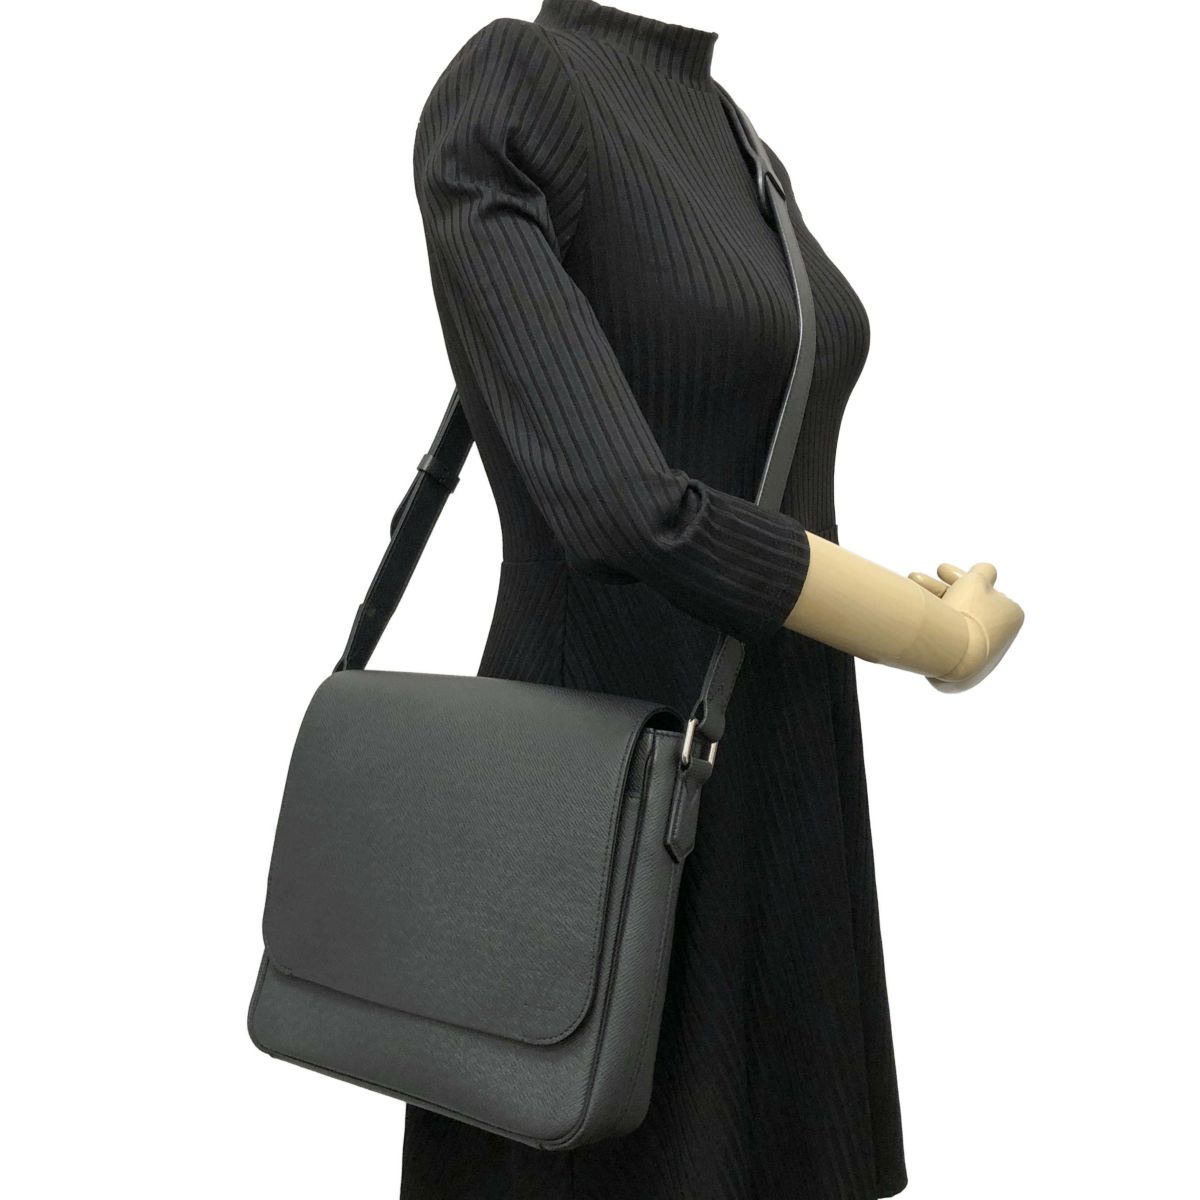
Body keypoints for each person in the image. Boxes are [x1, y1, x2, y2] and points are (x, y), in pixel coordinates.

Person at [400, 2, 1023, 1196]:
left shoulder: (733, 129)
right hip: (597, 781)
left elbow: (742, 469)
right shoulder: (512, 85)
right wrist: (933, 636)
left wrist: (884, 598)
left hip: (780, 775)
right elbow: (622, 508)